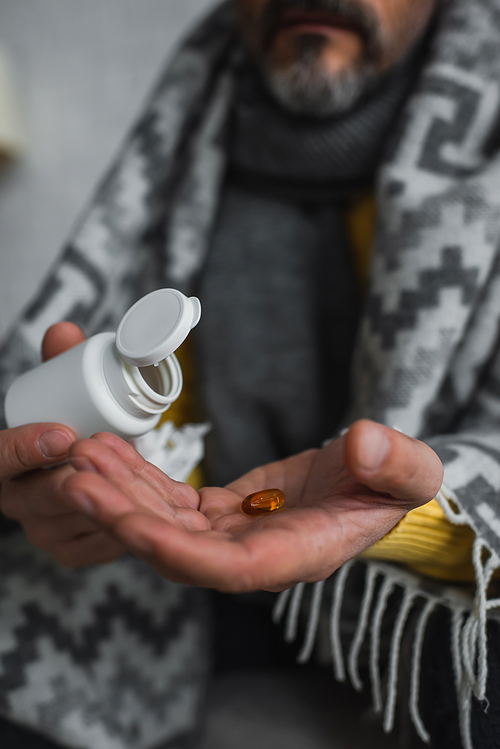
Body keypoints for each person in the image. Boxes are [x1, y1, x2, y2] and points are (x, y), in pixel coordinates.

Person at [0, 0, 499, 747]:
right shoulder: (189, 125)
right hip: (192, 574)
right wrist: (64, 496)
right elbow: (123, 434)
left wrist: (409, 515)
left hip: (407, 592)